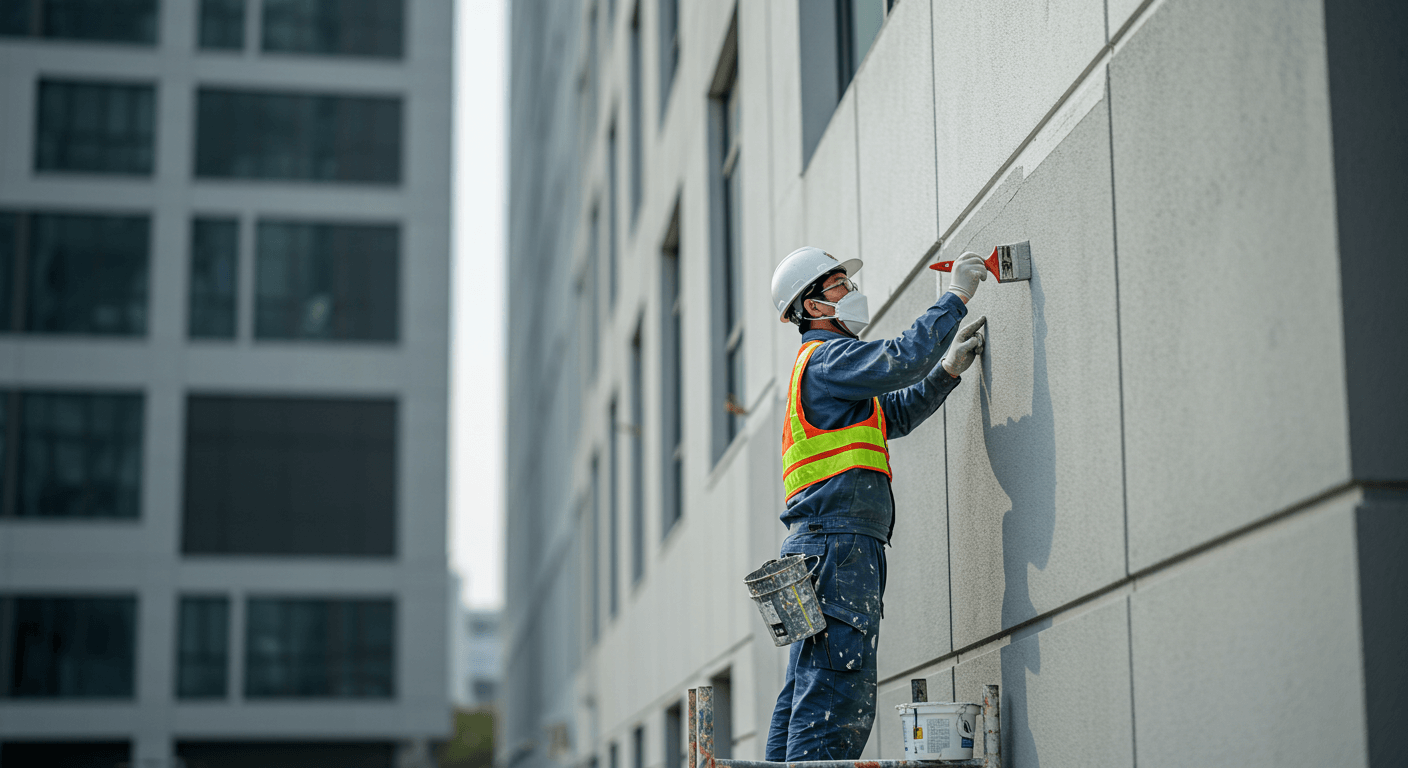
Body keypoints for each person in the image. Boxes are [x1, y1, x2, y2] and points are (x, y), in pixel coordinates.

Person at [764, 246, 990, 760]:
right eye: (840, 285)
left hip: (821, 549)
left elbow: (895, 414)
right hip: (837, 548)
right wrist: (956, 296)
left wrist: (947, 370)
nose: (853, 292)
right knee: (835, 694)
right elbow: (902, 359)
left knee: (806, 689)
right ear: (814, 306)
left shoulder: (826, 373)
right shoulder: (828, 359)